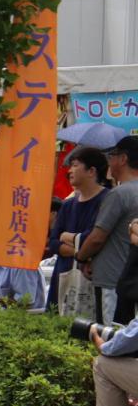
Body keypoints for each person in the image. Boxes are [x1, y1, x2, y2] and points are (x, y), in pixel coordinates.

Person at [76, 136, 138, 323]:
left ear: (123, 159)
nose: (109, 161)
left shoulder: (119, 194)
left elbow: (97, 238)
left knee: (110, 336)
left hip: (112, 279)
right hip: (133, 280)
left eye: (112, 155)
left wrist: (81, 257)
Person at [47, 147, 108, 314]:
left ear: (91, 171)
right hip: (63, 273)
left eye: (75, 165)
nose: (70, 171)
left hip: (91, 275)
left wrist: (67, 237)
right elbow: (53, 243)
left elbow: (94, 238)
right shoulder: (68, 205)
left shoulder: (107, 200)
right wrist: (79, 251)